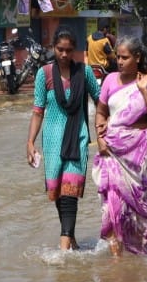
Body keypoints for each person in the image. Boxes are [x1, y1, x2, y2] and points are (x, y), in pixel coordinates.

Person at [26, 26, 101, 251]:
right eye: (60, 49)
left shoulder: (84, 72)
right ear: (53, 48)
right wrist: (30, 142)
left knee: (70, 191)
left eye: (69, 50)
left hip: (77, 137)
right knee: (59, 191)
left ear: (75, 50)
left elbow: (100, 101)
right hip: (52, 140)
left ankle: (63, 244)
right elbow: (38, 111)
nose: (65, 55)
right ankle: (72, 240)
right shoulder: (44, 74)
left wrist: (102, 130)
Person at [92, 36, 147, 257]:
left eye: (125, 57)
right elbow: (101, 112)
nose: (120, 61)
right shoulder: (109, 81)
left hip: (139, 158)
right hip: (112, 153)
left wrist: (143, 90)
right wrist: (100, 138)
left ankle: (136, 257)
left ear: (138, 57)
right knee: (113, 208)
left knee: (137, 214)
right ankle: (117, 262)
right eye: (118, 57)